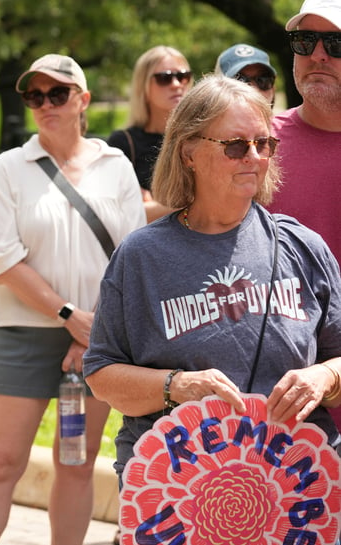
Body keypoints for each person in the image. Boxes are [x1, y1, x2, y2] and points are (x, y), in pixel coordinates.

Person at [83, 76, 341, 504]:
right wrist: (176, 385)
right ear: (189, 152)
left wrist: (324, 375)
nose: (254, 158)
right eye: (236, 145)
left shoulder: (303, 246)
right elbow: (102, 375)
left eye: (264, 144)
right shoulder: (142, 255)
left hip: (293, 494)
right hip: (179, 490)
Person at [0, 53, 145, 545]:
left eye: (57, 94)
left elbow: (133, 259)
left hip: (97, 342)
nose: (45, 104)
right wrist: (69, 318)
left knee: (78, 462)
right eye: (34, 96)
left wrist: (94, 334)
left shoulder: (116, 166)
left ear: (82, 100)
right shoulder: (9, 167)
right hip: (20, 334)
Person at [268, 0, 341, 430]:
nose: (317, 55)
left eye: (336, 44)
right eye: (304, 42)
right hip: (278, 398)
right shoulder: (252, 144)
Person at [106, 46, 193, 223]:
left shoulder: (201, 137)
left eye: (183, 76)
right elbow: (120, 213)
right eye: (165, 78)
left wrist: (156, 206)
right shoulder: (123, 143)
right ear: (143, 85)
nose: (176, 84)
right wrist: (193, 202)